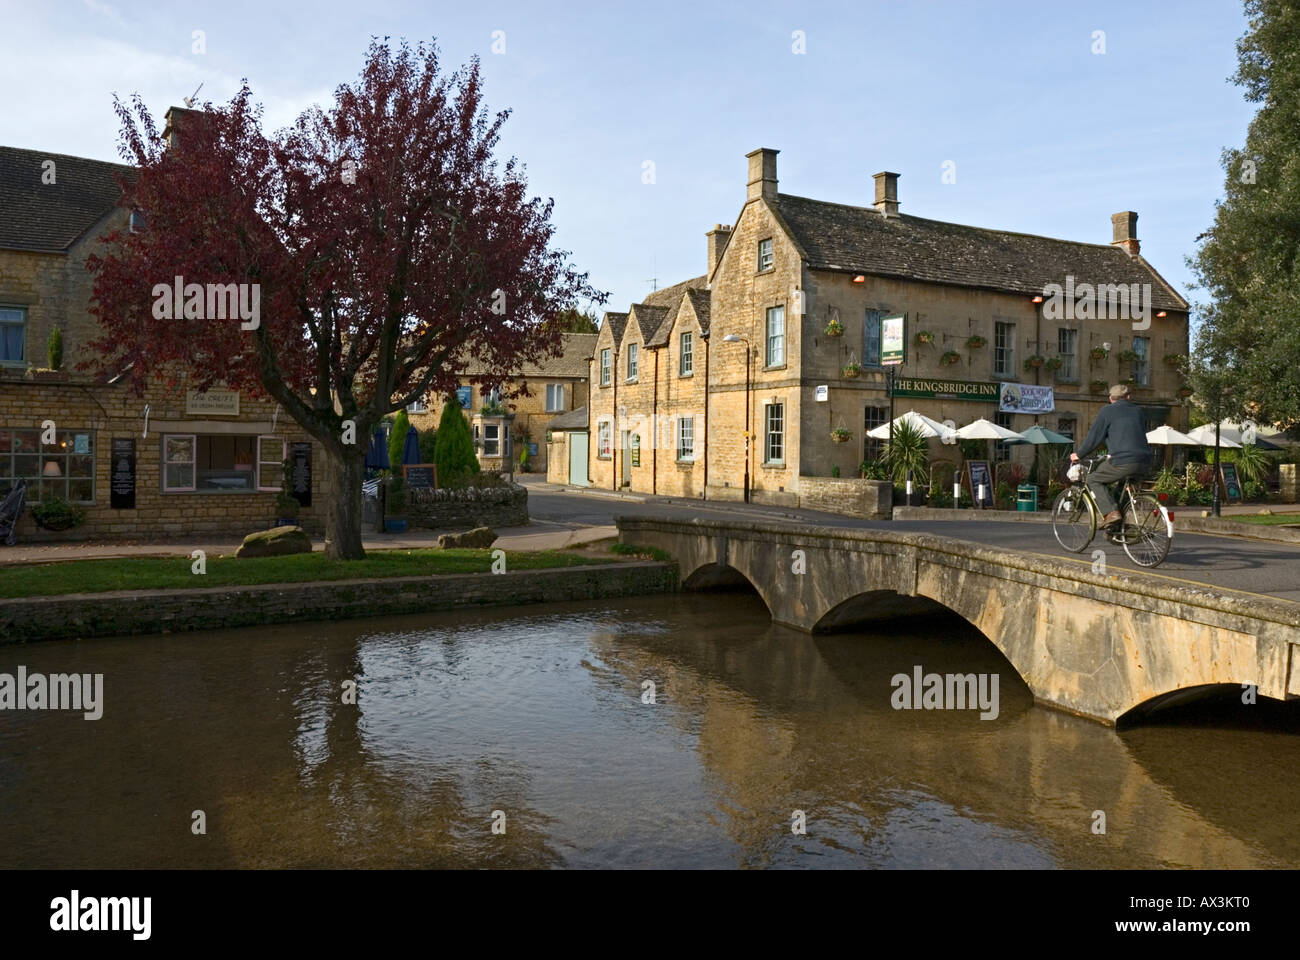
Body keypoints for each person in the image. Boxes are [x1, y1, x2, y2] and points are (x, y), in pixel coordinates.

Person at [1070, 383, 1154, 528]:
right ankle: (1119, 528)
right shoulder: (1138, 411)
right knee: (1121, 489)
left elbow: (1094, 437)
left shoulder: (1107, 411)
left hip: (1122, 460)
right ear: (1128, 397)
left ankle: (1110, 513)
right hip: (1144, 461)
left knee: (1093, 479)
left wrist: (1079, 454)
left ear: (1110, 398)